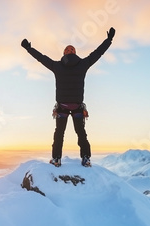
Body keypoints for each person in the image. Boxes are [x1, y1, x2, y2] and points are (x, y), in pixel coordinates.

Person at [21, 27, 115, 167]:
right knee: (81, 133)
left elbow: (41, 58)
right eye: (70, 49)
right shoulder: (83, 64)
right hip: (77, 106)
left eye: (69, 49)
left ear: (64, 53)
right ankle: (86, 158)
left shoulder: (57, 66)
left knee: (59, 134)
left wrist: (29, 48)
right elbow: (98, 53)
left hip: (62, 107)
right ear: (75, 53)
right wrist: (109, 40)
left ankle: (57, 159)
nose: (70, 50)